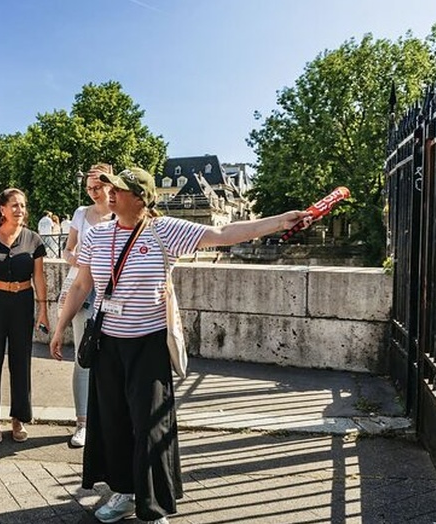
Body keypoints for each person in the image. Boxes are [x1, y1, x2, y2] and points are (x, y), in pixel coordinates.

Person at [49, 168, 309, 524]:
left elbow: (222, 233)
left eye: (120, 190)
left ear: (140, 198)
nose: (111, 193)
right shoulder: (97, 234)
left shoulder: (163, 230)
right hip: (109, 342)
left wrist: (279, 221)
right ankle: (124, 492)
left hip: (149, 342)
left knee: (150, 424)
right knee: (113, 422)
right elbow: (81, 285)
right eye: (111, 188)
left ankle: (153, 506)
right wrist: (60, 326)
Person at [0, 188, 49, 444]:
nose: (20, 210)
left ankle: (19, 417)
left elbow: (39, 276)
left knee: (21, 360)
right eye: (14, 205)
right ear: (2, 209)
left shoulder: (33, 239)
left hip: (23, 302)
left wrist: (43, 310)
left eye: (23, 205)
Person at [59, 163, 115, 448]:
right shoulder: (81, 213)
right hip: (84, 289)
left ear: (110, 185)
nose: (92, 193)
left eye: (98, 187)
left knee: (111, 359)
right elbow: (67, 249)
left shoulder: (120, 212)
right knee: (83, 357)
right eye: (89, 188)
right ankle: (82, 422)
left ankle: (106, 419)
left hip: (113, 292)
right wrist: (77, 261)